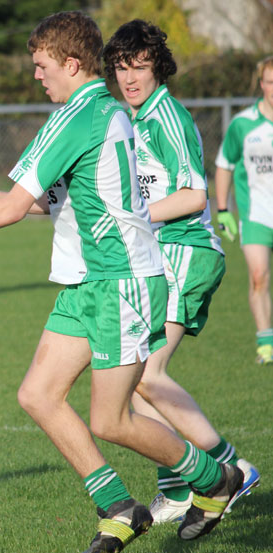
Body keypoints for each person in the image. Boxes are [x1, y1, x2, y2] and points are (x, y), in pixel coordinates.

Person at [0, 12, 243, 553]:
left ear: (71, 64)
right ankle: (119, 507)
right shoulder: (104, 111)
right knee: (38, 394)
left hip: (122, 281)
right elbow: (47, 199)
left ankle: (215, 479)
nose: (36, 76)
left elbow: (19, 207)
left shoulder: (78, 115)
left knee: (110, 420)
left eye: (42, 66)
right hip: (87, 282)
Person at [102, 19, 259, 524]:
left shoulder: (165, 116)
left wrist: (135, 215)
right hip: (161, 255)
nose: (129, 76)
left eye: (140, 66)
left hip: (186, 251)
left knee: (145, 374)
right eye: (122, 66)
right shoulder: (134, 116)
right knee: (132, 379)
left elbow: (195, 195)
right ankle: (175, 484)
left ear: (158, 67)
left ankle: (229, 467)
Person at [215, 55, 273, 365]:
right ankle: (266, 343)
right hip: (256, 215)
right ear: (262, 84)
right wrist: (223, 209)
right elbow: (224, 165)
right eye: (270, 82)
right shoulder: (243, 124)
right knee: (259, 276)